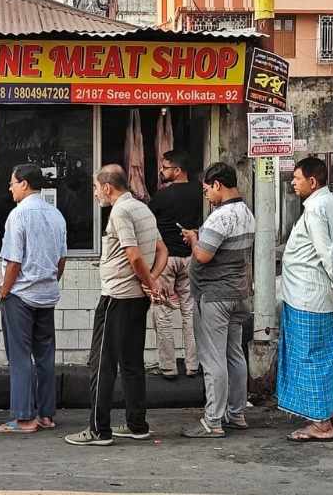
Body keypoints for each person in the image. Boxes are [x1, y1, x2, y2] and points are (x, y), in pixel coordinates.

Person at [65, 164, 169, 446]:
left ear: (107, 187)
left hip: (117, 298)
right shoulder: (142, 208)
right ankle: (137, 424)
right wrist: (151, 281)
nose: (96, 193)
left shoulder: (121, 211)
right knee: (132, 363)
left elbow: (134, 256)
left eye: (97, 188)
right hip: (136, 299)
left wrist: (150, 281)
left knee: (101, 364)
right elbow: (162, 251)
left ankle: (99, 430)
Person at [278, 157, 333, 442]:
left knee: (309, 357)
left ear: (313, 182)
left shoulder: (315, 208)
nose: (293, 183)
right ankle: (330, 417)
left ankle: (321, 423)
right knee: (327, 356)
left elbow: (327, 252)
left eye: (297, 178)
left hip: (308, 297)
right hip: (322, 297)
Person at [180, 162, 255, 439]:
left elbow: (203, 256)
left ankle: (213, 420)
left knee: (213, 360)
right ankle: (236, 413)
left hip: (215, 296)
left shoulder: (220, 217)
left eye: (206, 190)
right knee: (234, 354)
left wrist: (195, 239)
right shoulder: (246, 212)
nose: (207, 196)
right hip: (238, 294)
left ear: (218, 185)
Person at [0, 164, 67, 435]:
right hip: (47, 294)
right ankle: (46, 415)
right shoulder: (56, 214)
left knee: (20, 355)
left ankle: (24, 418)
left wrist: (5, 289)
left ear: (24, 184)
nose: (10, 188)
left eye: (12, 183)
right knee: (45, 354)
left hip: (20, 294)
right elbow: (61, 260)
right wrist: (48, 281)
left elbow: (14, 261)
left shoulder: (18, 215)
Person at [148, 150, 202, 379]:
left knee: (163, 312)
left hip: (166, 260)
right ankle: (192, 365)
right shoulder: (201, 191)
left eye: (165, 167)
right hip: (190, 258)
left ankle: (168, 367)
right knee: (190, 313)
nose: (161, 171)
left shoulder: (162, 196)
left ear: (177, 170)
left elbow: (148, 220)